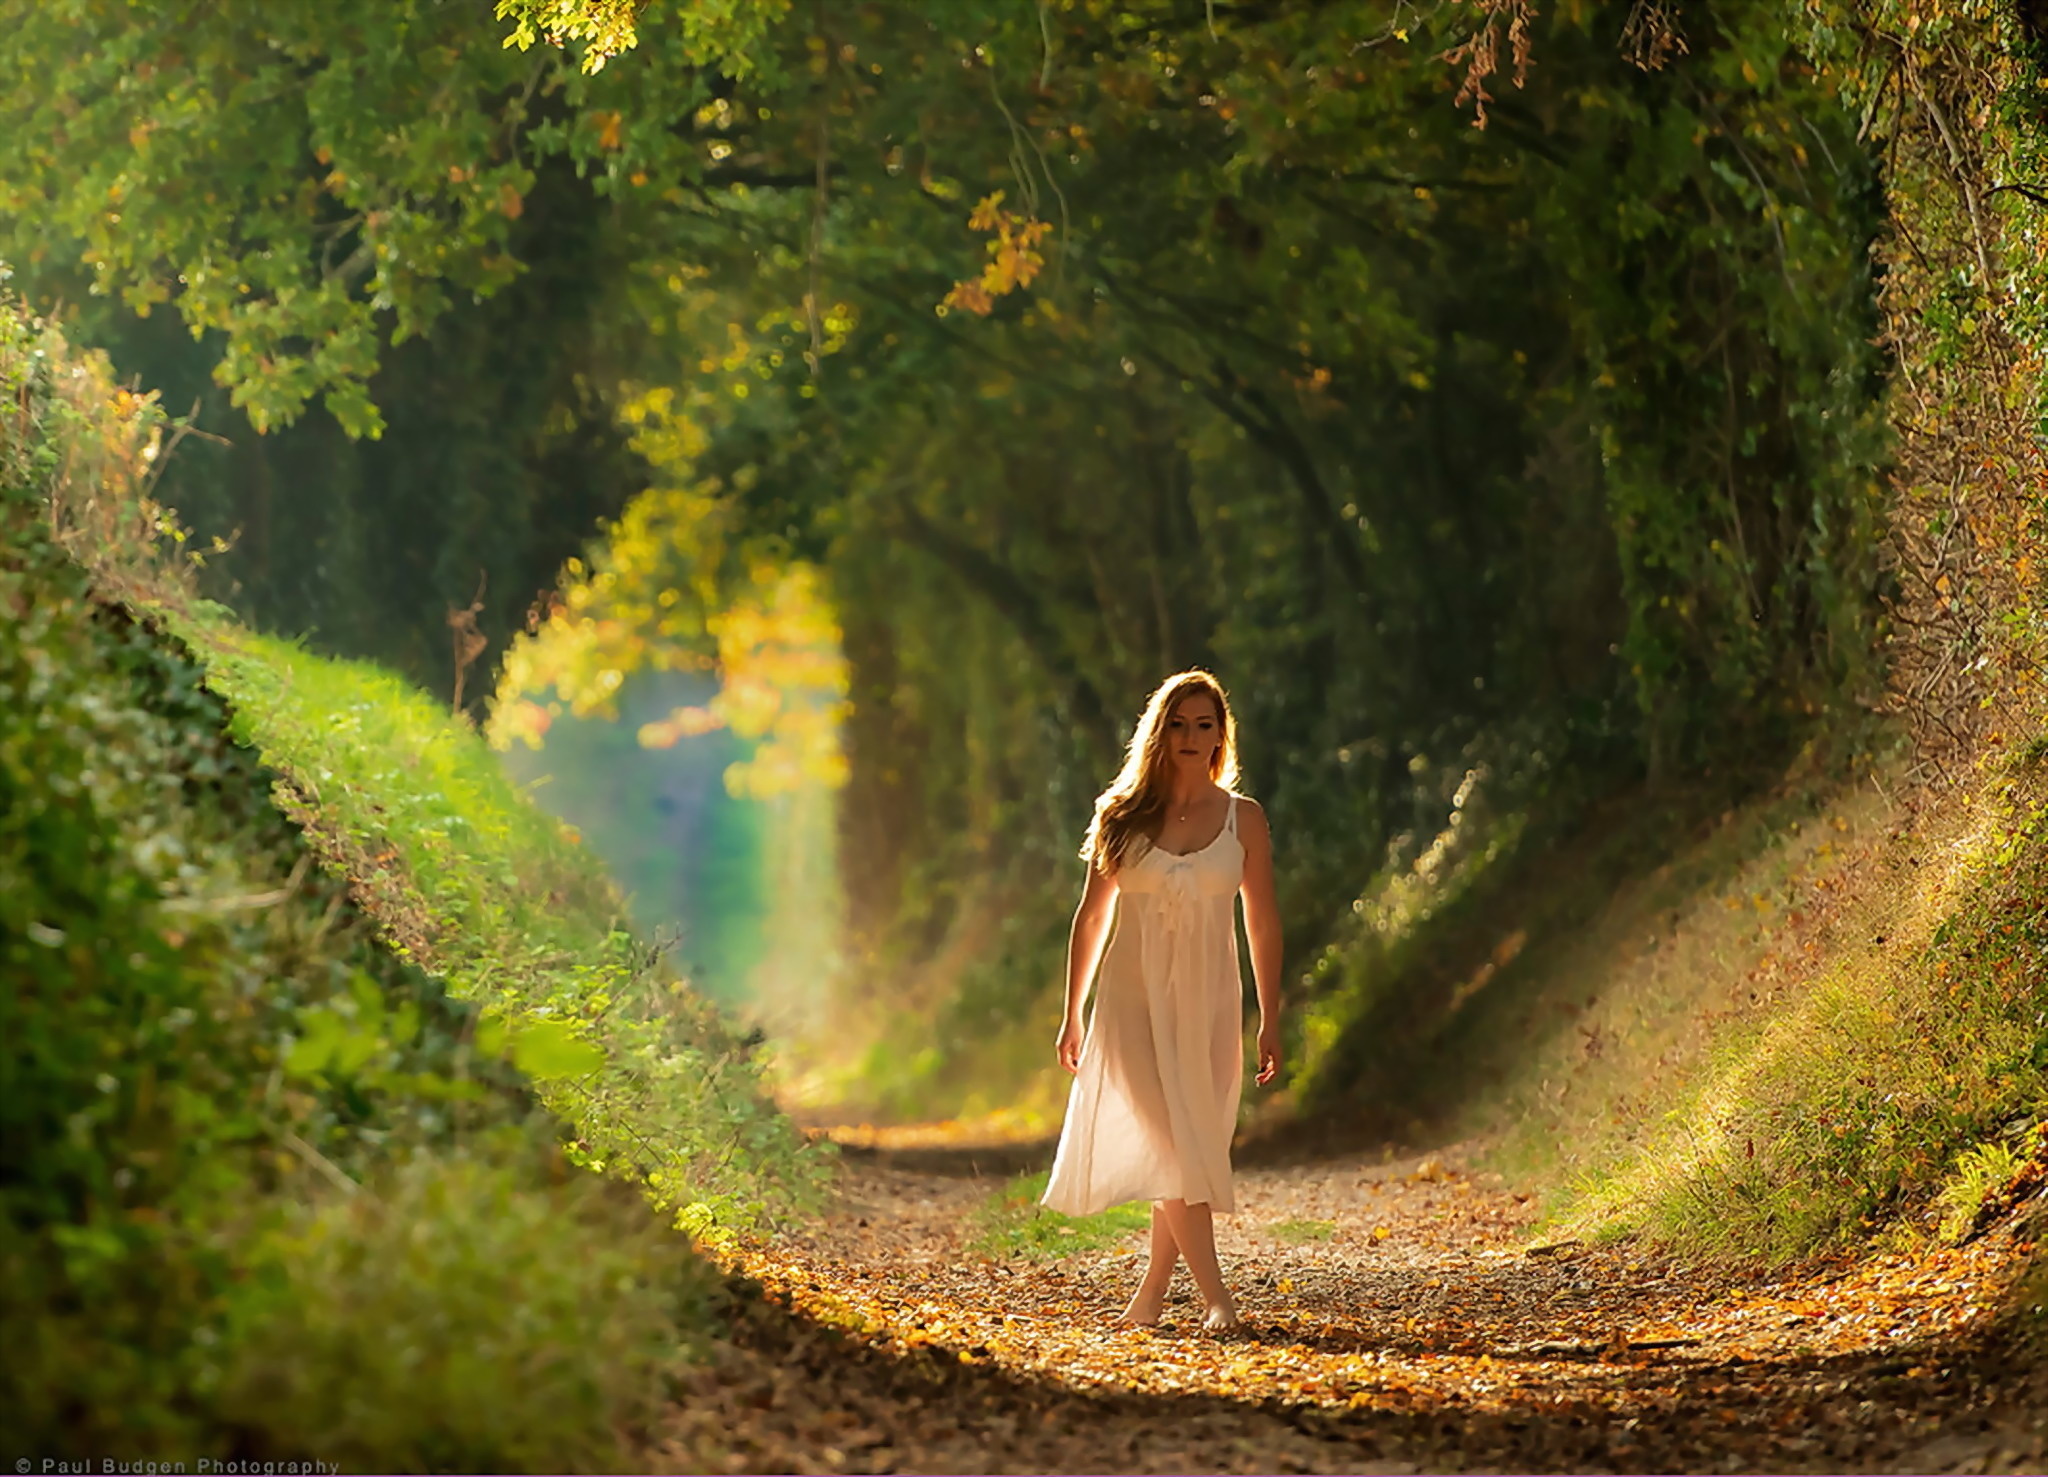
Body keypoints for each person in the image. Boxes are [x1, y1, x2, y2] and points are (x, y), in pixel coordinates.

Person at [1040, 668, 1283, 1333]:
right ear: (1158, 730)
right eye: (1178, 723)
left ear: (1220, 737)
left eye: (1204, 725)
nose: (1190, 737)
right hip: (1131, 1000)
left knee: (1185, 1141)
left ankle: (1148, 1297)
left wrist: (1271, 1014)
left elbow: (1262, 920)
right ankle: (1218, 1299)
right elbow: (1091, 918)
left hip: (1208, 1003)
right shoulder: (1120, 815)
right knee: (1174, 1144)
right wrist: (1073, 1009)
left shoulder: (1244, 819)